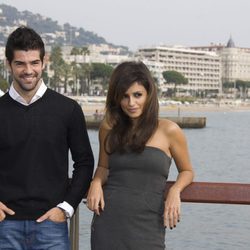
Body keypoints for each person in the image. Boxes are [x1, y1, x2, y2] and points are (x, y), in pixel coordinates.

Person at [0, 26, 94, 249]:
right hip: (4, 226)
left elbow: (85, 163)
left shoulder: (68, 109)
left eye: (34, 63)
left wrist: (67, 208)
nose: (28, 70)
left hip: (51, 225)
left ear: (44, 63)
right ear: (8, 65)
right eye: (20, 63)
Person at [87, 61, 194, 250]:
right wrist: (96, 183)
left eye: (137, 95)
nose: (131, 103)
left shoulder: (169, 130)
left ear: (149, 94)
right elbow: (104, 167)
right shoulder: (108, 128)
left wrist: (175, 191)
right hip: (108, 222)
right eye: (124, 96)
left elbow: (186, 171)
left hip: (149, 225)